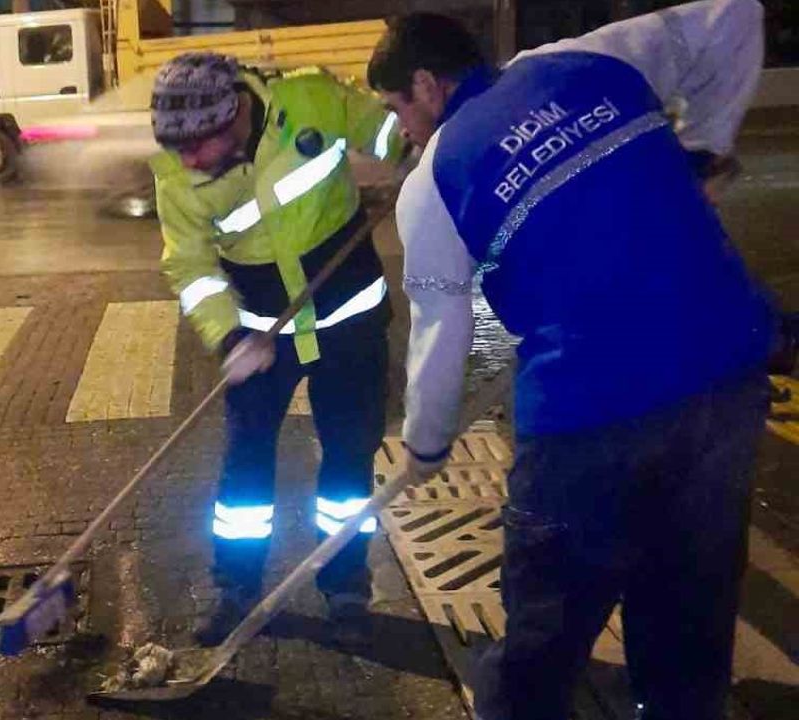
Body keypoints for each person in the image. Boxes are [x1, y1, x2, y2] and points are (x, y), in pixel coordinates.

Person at [365, 1, 775, 718]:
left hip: (590, 418)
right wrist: (705, 147)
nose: (402, 127)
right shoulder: (592, 57)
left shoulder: (430, 186)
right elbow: (736, 13)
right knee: (689, 602)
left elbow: (440, 331)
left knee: (543, 634)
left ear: (428, 85)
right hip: (724, 374)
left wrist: (426, 445)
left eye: (399, 107)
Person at [148, 52, 405, 645]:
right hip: (262, 332)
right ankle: (236, 587)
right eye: (176, 148)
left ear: (236, 111)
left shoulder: (309, 100)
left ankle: (345, 588)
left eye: (198, 146)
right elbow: (189, 266)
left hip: (350, 321)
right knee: (244, 464)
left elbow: (391, 130)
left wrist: (416, 157)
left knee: (347, 459)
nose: (188, 161)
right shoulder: (176, 174)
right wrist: (228, 334)